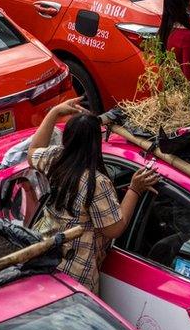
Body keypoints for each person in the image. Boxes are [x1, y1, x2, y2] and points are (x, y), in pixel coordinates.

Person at [27, 97, 161, 292]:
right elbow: (114, 230)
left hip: (42, 256)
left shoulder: (54, 158)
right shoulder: (96, 183)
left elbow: (32, 152)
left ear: (67, 138)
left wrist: (55, 112)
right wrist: (134, 189)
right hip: (75, 274)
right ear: (96, 143)